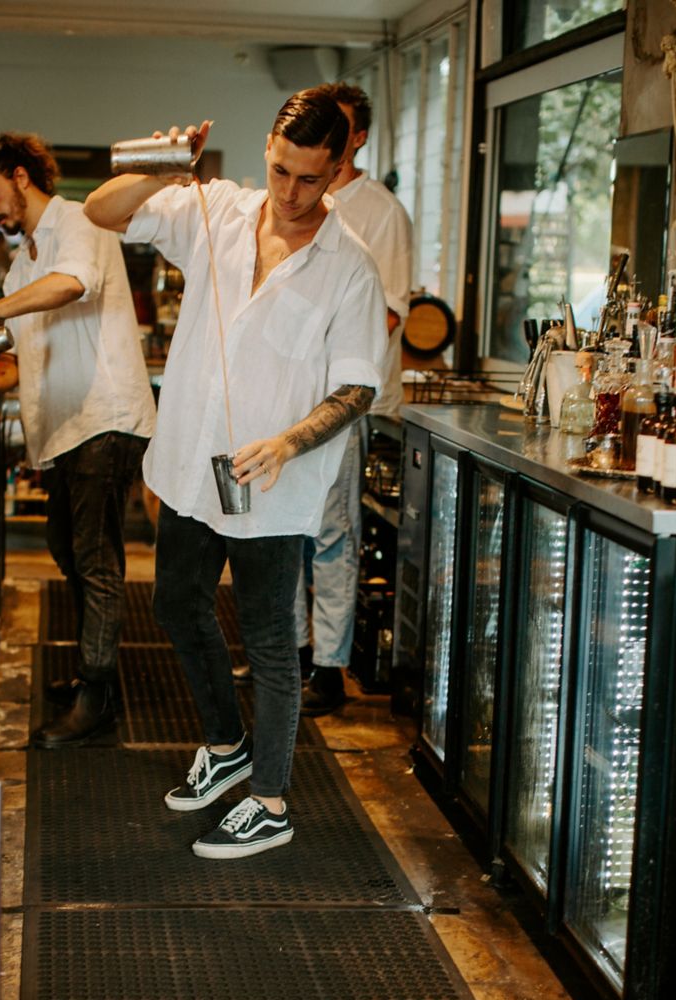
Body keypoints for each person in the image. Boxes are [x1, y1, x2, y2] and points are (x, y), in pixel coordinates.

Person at [84, 92, 387, 858]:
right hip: (194, 463)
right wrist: (162, 167)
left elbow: (357, 387)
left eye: (310, 179)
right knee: (176, 606)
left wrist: (288, 443)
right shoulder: (216, 208)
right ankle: (226, 746)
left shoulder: (349, 265)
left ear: (339, 169)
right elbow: (101, 211)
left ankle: (271, 802)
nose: (290, 192)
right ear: (267, 152)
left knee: (271, 641)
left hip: (273, 483)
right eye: (281, 170)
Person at [0, 132, 156, 746]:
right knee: (67, 547)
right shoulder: (23, 262)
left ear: (20, 175)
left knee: (94, 558)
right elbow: (24, 346)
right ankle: (95, 672)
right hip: (68, 427)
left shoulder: (80, 221)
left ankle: (98, 696)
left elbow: (73, 284)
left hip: (104, 417)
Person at [294, 82, 413, 716]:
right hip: (287, 398)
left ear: (358, 138)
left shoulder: (380, 213)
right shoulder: (296, 198)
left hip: (342, 400)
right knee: (285, 529)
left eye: (336, 126)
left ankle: (330, 666)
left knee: (332, 533)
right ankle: (289, 650)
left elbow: (388, 314)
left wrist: (322, 360)